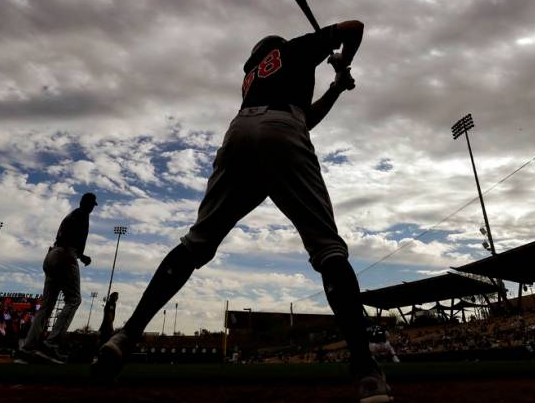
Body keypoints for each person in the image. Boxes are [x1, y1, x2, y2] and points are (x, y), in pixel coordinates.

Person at [94, 21, 393, 402]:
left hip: (240, 133)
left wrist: (336, 88)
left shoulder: (256, 75)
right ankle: (366, 368)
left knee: (196, 243)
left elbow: (304, 118)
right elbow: (354, 27)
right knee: (327, 248)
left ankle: (127, 335)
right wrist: (342, 60)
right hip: (282, 132)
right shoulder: (294, 49)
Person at [17, 192, 98, 364]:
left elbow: (65, 237)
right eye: (91, 204)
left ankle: (28, 348)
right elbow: (69, 240)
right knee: (74, 300)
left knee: (46, 306)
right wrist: (74, 254)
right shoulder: (82, 215)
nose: (92, 208)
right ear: (87, 203)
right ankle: (51, 343)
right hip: (64, 254)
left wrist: (81, 256)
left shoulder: (72, 214)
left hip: (52, 255)